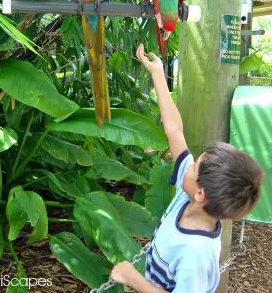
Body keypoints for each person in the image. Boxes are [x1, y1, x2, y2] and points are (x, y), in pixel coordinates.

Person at [110, 44, 263, 293]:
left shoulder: (196, 253)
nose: (188, 165)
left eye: (195, 167)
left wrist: (134, 280)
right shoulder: (189, 194)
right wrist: (158, 74)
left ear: (201, 193)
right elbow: (175, 130)